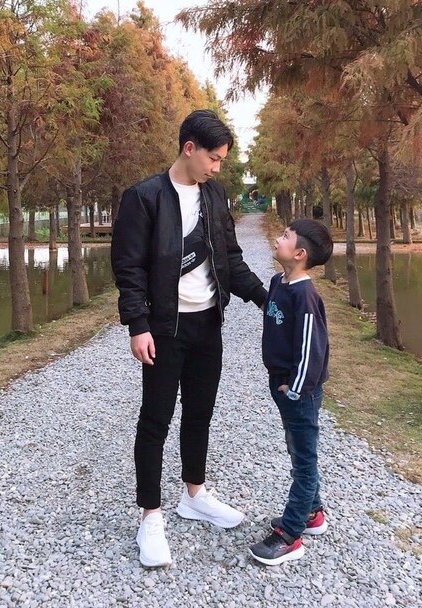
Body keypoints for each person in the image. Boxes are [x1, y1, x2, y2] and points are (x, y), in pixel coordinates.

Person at [111, 109, 267, 568]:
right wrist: (138, 325)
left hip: (207, 324)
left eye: (221, 161)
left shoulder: (214, 196)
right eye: (213, 159)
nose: (217, 168)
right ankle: (150, 516)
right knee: (155, 420)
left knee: (200, 412)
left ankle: (194, 495)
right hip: (164, 328)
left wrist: (265, 298)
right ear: (189, 148)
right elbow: (128, 268)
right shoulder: (144, 197)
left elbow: (230, 257)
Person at [249, 218, 333, 566]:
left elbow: (312, 349)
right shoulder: (277, 282)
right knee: (297, 449)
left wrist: (295, 389)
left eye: (285, 236)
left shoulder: (305, 297)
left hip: (299, 392)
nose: (278, 238)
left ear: (299, 254)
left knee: (304, 461)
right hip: (281, 384)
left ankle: (290, 534)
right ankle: (312, 513)